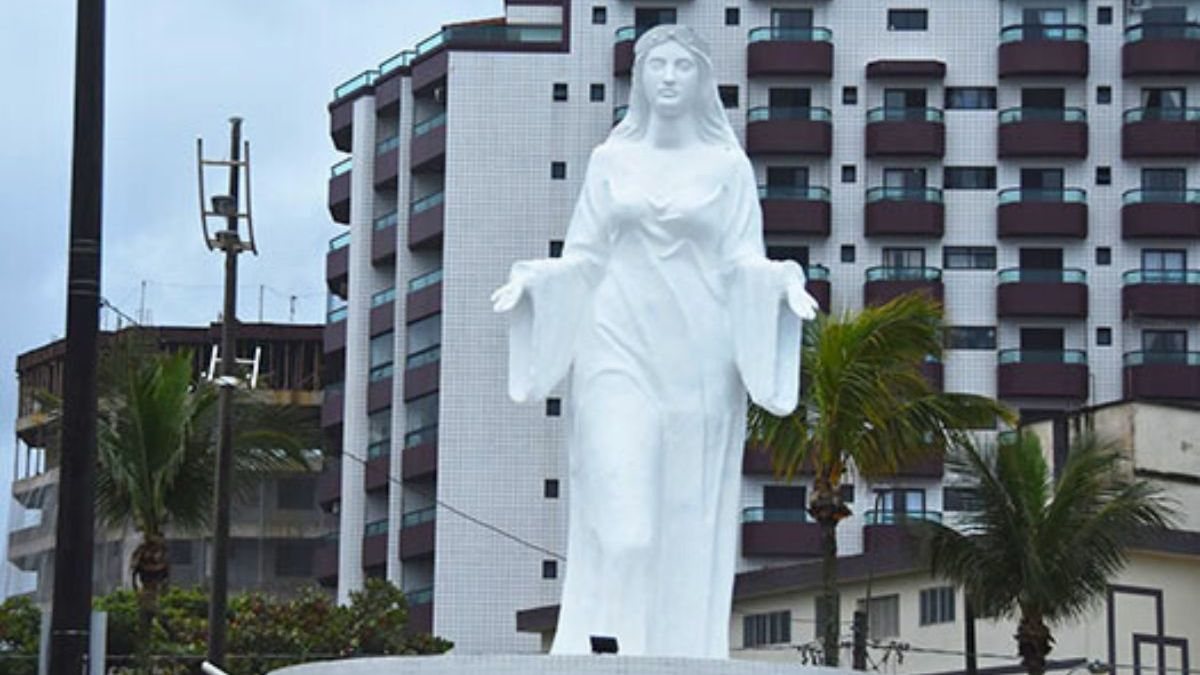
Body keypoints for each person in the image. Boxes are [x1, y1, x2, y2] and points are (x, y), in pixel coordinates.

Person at [492, 24, 818, 658]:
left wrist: (782, 286)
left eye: (681, 66)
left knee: (684, 517)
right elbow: (583, 257)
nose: (668, 77)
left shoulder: (727, 167)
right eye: (656, 66)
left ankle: (671, 653)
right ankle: (611, 654)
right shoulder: (610, 161)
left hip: (698, 358)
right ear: (640, 79)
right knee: (625, 526)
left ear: (701, 81)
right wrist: (533, 280)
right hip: (615, 347)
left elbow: (741, 262)